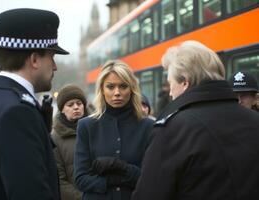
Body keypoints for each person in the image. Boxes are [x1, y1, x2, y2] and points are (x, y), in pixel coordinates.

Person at [131, 41, 259, 200]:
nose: (170, 93)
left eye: (171, 83)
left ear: (185, 82)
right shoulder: (254, 120)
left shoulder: (173, 131)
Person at [0, 8, 69, 200]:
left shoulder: (1, 97)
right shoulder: (18, 113)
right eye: (52, 57)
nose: (55, 66)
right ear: (35, 59)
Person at [74, 60, 154, 200]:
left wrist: (122, 167)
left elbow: (150, 178)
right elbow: (81, 179)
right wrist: (113, 181)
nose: (117, 93)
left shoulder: (148, 126)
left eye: (123, 86)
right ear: (102, 90)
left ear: (132, 89)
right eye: (110, 87)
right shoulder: (86, 126)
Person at [51, 84, 88, 200]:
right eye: (70, 105)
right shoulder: (55, 138)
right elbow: (59, 181)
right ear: (62, 109)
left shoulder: (97, 128)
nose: (76, 107)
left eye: (79, 103)